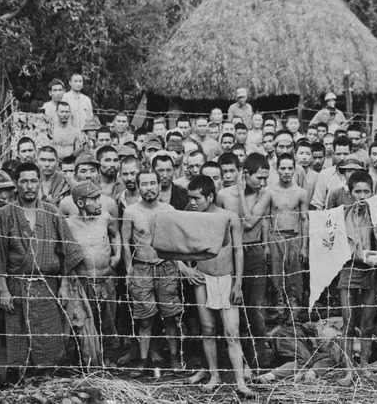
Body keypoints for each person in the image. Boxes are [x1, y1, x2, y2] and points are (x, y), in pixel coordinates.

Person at [0, 162, 85, 376]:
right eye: (24, 181)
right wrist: (3, 289)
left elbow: (68, 251)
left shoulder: (52, 212)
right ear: (17, 184)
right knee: (19, 340)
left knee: (49, 340)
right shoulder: (5, 214)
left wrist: (64, 285)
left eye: (33, 181)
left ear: (39, 183)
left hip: (48, 286)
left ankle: (48, 381)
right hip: (17, 286)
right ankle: (21, 383)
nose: (29, 186)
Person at [181, 176, 254, 396]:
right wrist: (185, 269)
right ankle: (214, 375)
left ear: (210, 196)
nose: (193, 202)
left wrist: (238, 283)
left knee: (232, 332)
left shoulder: (229, 217)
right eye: (190, 198)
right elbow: (172, 244)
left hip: (226, 278)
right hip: (202, 279)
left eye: (197, 198)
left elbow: (238, 250)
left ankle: (240, 381)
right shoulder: (190, 218)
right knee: (208, 330)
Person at [121, 169, 182, 375]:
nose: (149, 188)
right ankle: (143, 361)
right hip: (141, 267)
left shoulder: (169, 209)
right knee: (145, 318)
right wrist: (129, 270)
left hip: (166, 267)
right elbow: (125, 242)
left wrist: (180, 267)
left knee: (171, 316)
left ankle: (174, 358)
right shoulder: (131, 211)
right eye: (144, 184)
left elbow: (175, 243)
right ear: (138, 187)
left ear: (159, 185)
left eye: (153, 183)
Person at [216, 153, 272, 369]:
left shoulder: (265, 194)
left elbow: (249, 223)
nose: (263, 182)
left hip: (254, 252)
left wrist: (241, 193)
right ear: (245, 174)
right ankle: (234, 361)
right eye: (259, 177)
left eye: (266, 177)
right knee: (231, 307)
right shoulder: (222, 195)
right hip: (230, 254)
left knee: (255, 309)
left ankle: (258, 360)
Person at [337, 171, 377, 386]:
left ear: (372, 193)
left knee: (368, 323)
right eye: (357, 191)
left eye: (366, 191)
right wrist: (356, 254)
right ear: (350, 193)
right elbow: (335, 244)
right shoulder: (341, 215)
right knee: (348, 321)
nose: (361, 195)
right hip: (349, 269)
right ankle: (349, 370)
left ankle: (364, 366)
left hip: (372, 271)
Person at [66, 180, 122, 367]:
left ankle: (109, 358)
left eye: (100, 198)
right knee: (85, 322)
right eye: (94, 199)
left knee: (108, 321)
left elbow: (115, 234)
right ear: (81, 203)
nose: (99, 203)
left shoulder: (105, 218)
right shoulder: (69, 225)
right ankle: (87, 360)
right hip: (83, 283)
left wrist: (118, 254)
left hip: (106, 280)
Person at [251, 154, 309, 322]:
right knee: (276, 277)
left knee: (295, 277)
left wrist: (304, 246)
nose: (286, 172)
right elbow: (266, 219)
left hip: (294, 237)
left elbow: (305, 220)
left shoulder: (301, 193)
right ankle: (278, 313)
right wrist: (266, 245)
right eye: (283, 168)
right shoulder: (269, 191)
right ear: (277, 170)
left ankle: (294, 314)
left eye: (290, 168)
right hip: (275, 237)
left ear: (295, 169)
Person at [310, 136, 352, 210]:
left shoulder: (357, 175)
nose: (342, 158)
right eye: (338, 154)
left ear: (351, 154)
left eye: (346, 154)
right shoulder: (324, 175)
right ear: (333, 154)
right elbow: (318, 204)